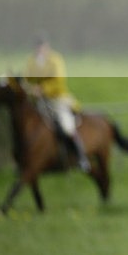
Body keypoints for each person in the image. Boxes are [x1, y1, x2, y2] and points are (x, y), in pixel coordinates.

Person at [23, 34, 91, 172]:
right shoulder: (31, 61)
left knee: (66, 126)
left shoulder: (56, 60)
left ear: (47, 47)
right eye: (38, 47)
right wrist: (27, 88)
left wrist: (42, 89)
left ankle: (81, 157)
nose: (40, 50)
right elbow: (27, 78)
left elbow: (58, 81)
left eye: (42, 47)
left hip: (57, 99)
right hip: (38, 101)